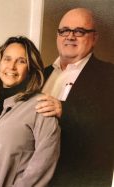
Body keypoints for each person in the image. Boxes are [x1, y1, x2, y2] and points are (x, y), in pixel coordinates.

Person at [35, 8, 114, 186]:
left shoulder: (109, 74)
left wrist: (65, 110)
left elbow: (107, 124)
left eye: (79, 31)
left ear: (94, 38)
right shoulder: (39, 75)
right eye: (64, 31)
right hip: (37, 179)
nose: (70, 36)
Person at [0, 36, 60, 187]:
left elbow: (43, 164)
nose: (12, 67)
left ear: (31, 68)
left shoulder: (42, 107)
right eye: (7, 59)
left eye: (21, 61)